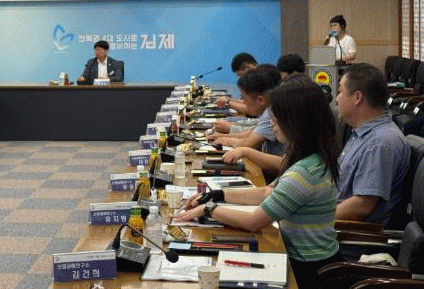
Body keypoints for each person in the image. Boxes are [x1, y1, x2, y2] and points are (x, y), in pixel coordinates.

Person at [174, 75, 342, 289]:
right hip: (300, 257)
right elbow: (266, 192)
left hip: (305, 271)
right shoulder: (310, 157)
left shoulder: (304, 172)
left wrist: (209, 210)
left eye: (277, 117)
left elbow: (253, 221)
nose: (272, 122)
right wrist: (217, 195)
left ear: (297, 121)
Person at [335, 63, 409, 225]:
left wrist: (315, 219)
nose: (336, 98)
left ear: (357, 97)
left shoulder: (379, 143)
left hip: (350, 233)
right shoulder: (362, 134)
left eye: (340, 92)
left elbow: (361, 206)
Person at [213, 65, 284, 174]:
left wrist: (241, 148)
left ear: (260, 99)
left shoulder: (273, 111)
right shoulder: (272, 107)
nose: (244, 103)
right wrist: (225, 137)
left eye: (244, 98)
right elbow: (253, 131)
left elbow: (248, 144)